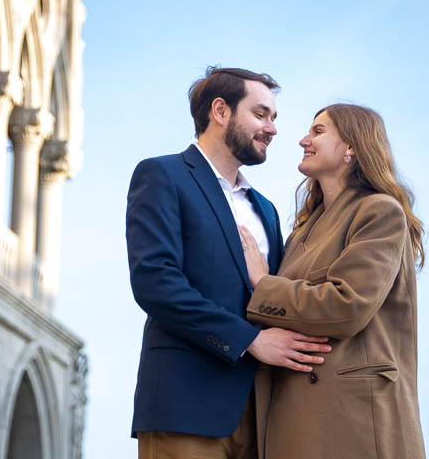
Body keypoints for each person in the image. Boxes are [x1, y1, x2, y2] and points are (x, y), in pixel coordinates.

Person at [126, 67, 332, 458]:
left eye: (274, 118)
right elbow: (156, 281)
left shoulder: (267, 211)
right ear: (220, 111)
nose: (272, 129)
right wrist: (250, 340)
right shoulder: (162, 175)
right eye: (260, 114)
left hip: (264, 417)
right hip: (186, 408)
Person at [239, 103, 426, 459]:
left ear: (351, 148)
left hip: (352, 423)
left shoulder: (380, 211)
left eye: (318, 132)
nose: (302, 140)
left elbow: (347, 305)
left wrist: (263, 283)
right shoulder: (302, 232)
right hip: (296, 417)